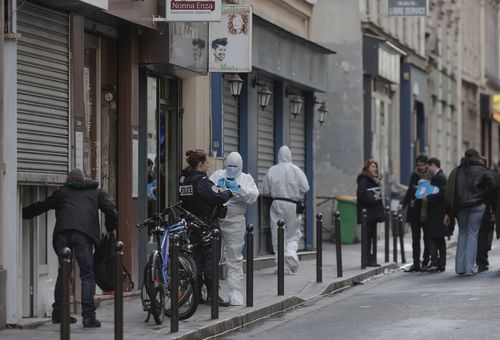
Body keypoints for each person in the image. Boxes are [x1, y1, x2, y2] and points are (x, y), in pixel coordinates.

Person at [22, 168, 117, 328]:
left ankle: (59, 313)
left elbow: (43, 205)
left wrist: (23, 213)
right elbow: (111, 210)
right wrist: (109, 227)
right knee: (87, 275)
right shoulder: (96, 192)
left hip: (62, 234)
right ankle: (88, 317)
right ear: (83, 179)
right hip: (83, 235)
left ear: (69, 181)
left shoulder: (62, 193)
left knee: (63, 272)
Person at [179, 149, 233, 306]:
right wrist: (227, 193)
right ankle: (212, 295)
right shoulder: (201, 181)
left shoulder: (184, 181)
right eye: (206, 162)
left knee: (197, 260)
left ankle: (196, 295)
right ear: (201, 164)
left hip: (191, 225)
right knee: (211, 259)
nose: (208, 165)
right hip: (206, 225)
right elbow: (217, 196)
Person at [209, 152, 259, 305]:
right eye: (229, 165)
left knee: (235, 258)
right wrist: (219, 190)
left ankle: (235, 291)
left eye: (234, 166)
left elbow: (253, 196)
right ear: (225, 165)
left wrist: (239, 188)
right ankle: (208, 291)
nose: (231, 169)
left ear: (240, 166)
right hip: (217, 219)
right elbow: (207, 191)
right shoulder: (218, 175)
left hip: (236, 220)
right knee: (210, 257)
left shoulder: (246, 178)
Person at [444, 149, 494, 276]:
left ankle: (460, 267)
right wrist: (484, 198)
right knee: (473, 233)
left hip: (460, 206)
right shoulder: (483, 170)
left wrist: (448, 212)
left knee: (462, 233)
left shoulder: (457, 171)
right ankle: (469, 268)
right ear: (477, 157)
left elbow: (449, 192)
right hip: (477, 204)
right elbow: (493, 186)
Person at [263, 145, 309, 274]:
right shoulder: (296, 170)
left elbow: (265, 189)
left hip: (276, 203)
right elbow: (305, 188)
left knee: (277, 234)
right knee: (293, 233)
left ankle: (280, 265)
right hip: (293, 204)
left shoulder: (272, 170)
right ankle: (291, 252)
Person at [400, 154, 432, 272]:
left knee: (427, 238)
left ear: (426, 164)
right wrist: (403, 203)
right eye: (419, 165)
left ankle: (425, 262)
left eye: (423, 165)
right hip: (415, 211)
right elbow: (410, 190)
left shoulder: (431, 175)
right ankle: (416, 263)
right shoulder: (414, 175)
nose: (421, 167)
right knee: (415, 238)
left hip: (427, 211)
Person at [356, 159, 385, 267]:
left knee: (371, 237)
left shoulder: (374, 179)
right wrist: (373, 198)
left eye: (375, 166)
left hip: (373, 213)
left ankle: (371, 260)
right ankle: (366, 260)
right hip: (367, 213)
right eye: (373, 166)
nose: (375, 168)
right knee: (367, 237)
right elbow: (361, 194)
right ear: (367, 168)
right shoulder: (364, 179)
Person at [423, 158, 449, 272]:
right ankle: (438, 263)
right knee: (436, 238)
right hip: (435, 213)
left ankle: (439, 263)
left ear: (432, 165)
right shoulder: (437, 177)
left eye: (428, 167)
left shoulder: (440, 177)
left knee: (436, 238)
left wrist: (427, 197)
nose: (427, 169)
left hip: (437, 213)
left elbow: (442, 194)